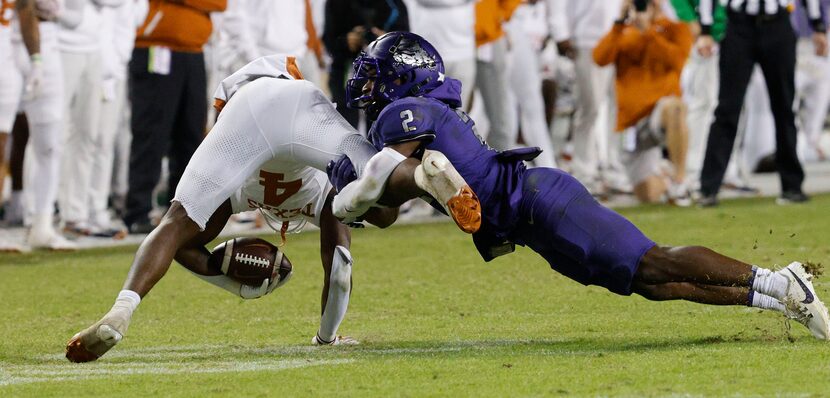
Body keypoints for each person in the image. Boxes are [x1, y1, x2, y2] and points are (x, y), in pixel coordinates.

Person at [331, 31, 830, 341]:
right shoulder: (425, 109)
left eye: (376, 76)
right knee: (650, 285)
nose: (368, 87)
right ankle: (781, 295)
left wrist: (350, 192)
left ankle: (780, 282)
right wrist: (354, 199)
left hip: (538, 203)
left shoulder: (403, 113)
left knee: (655, 260)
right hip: (527, 219)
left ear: (402, 77)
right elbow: (386, 210)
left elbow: (384, 189)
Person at [65, 55, 479, 362]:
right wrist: (326, 337)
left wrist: (224, 277)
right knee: (381, 198)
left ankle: (120, 311)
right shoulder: (319, 192)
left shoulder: (238, 194)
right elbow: (340, 269)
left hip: (244, 108)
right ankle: (423, 177)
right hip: (302, 102)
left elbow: (180, 245)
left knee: (176, 221)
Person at [697, 0, 828, 206]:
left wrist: (817, 24)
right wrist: (705, 29)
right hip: (739, 24)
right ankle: (708, 187)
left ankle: (792, 186)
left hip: (778, 23)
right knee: (727, 109)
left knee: (785, 107)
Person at [593, 0, 693, 205]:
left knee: (675, 107)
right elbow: (600, 58)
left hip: (659, 114)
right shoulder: (622, 31)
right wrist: (619, 21)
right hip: (632, 124)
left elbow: (677, 61)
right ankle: (666, 176)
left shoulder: (675, 28)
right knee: (648, 196)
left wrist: (648, 30)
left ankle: (680, 180)